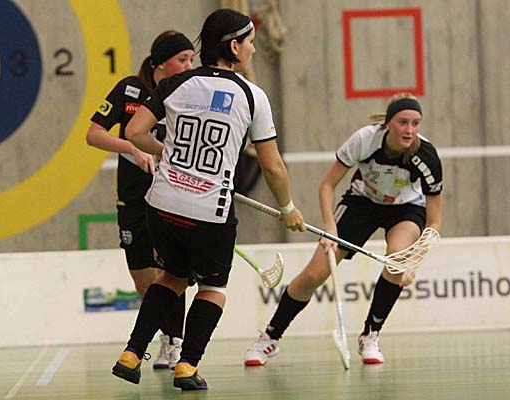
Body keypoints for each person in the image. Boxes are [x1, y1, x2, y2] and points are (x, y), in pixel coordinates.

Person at [110, 8, 305, 391]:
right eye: (249, 42)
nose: (252, 49)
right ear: (233, 47)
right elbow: (272, 167)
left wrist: (170, 155)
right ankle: (187, 366)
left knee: (171, 277)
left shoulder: (175, 83)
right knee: (212, 288)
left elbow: (133, 132)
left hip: (162, 206)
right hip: (209, 214)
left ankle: (131, 354)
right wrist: (288, 208)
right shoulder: (252, 95)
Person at [244, 93, 443, 366]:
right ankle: (270, 337)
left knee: (396, 260)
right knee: (313, 275)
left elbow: (434, 223)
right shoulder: (365, 140)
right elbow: (327, 186)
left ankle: (370, 334)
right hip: (361, 203)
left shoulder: (426, 157)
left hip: (405, 209)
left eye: (415, 123)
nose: (409, 130)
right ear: (388, 123)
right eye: (402, 122)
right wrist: (330, 229)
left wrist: (412, 262)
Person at [86, 31, 195, 370]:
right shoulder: (129, 90)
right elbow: (94, 134)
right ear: (160, 62)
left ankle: (174, 343)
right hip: (131, 197)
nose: (189, 66)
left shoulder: (189, 95)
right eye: (182, 59)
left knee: (170, 271)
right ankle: (165, 332)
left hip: (170, 196)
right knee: (143, 279)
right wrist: (132, 147)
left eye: (191, 60)